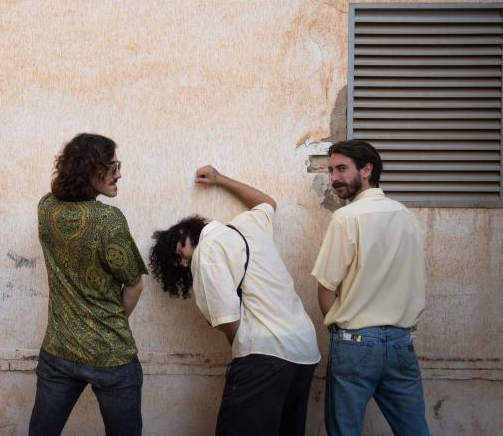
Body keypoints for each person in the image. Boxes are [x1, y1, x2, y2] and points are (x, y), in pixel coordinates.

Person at [149, 165, 320, 436]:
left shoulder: (206, 251)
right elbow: (267, 203)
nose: (184, 262)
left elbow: (228, 320)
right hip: (305, 350)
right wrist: (220, 180)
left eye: (179, 254)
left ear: (184, 233)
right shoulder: (246, 225)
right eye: (179, 264)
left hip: (264, 354)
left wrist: (243, 355)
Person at [28, 133, 148, 436]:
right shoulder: (109, 220)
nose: (119, 173)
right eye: (111, 166)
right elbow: (134, 286)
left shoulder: (46, 208)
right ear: (88, 169)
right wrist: (104, 328)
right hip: (111, 356)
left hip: (58, 350)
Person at [312, 140, 429, 435]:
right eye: (331, 170)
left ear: (367, 170)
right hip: (401, 342)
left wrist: (339, 332)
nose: (334, 178)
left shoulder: (346, 218)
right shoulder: (406, 217)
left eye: (341, 169)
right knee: (414, 429)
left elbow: (326, 288)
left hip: (355, 341)